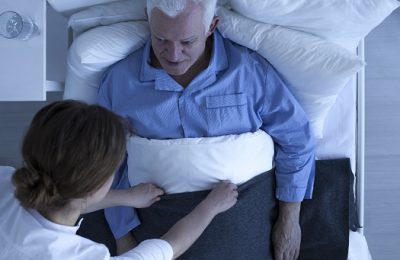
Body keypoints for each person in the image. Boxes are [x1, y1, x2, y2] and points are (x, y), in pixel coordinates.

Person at [97, 0, 316, 259]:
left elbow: (297, 140)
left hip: (246, 215)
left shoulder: (249, 72)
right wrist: (123, 237)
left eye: (187, 42)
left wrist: (290, 220)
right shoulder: (121, 83)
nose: (173, 55)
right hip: (158, 225)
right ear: (149, 21)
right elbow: (106, 166)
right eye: (161, 40)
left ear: (212, 26)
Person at [0, 100, 238, 259]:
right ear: (95, 186)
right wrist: (212, 205)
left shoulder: (6, 180)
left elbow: (67, 196)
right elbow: (165, 249)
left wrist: (127, 197)